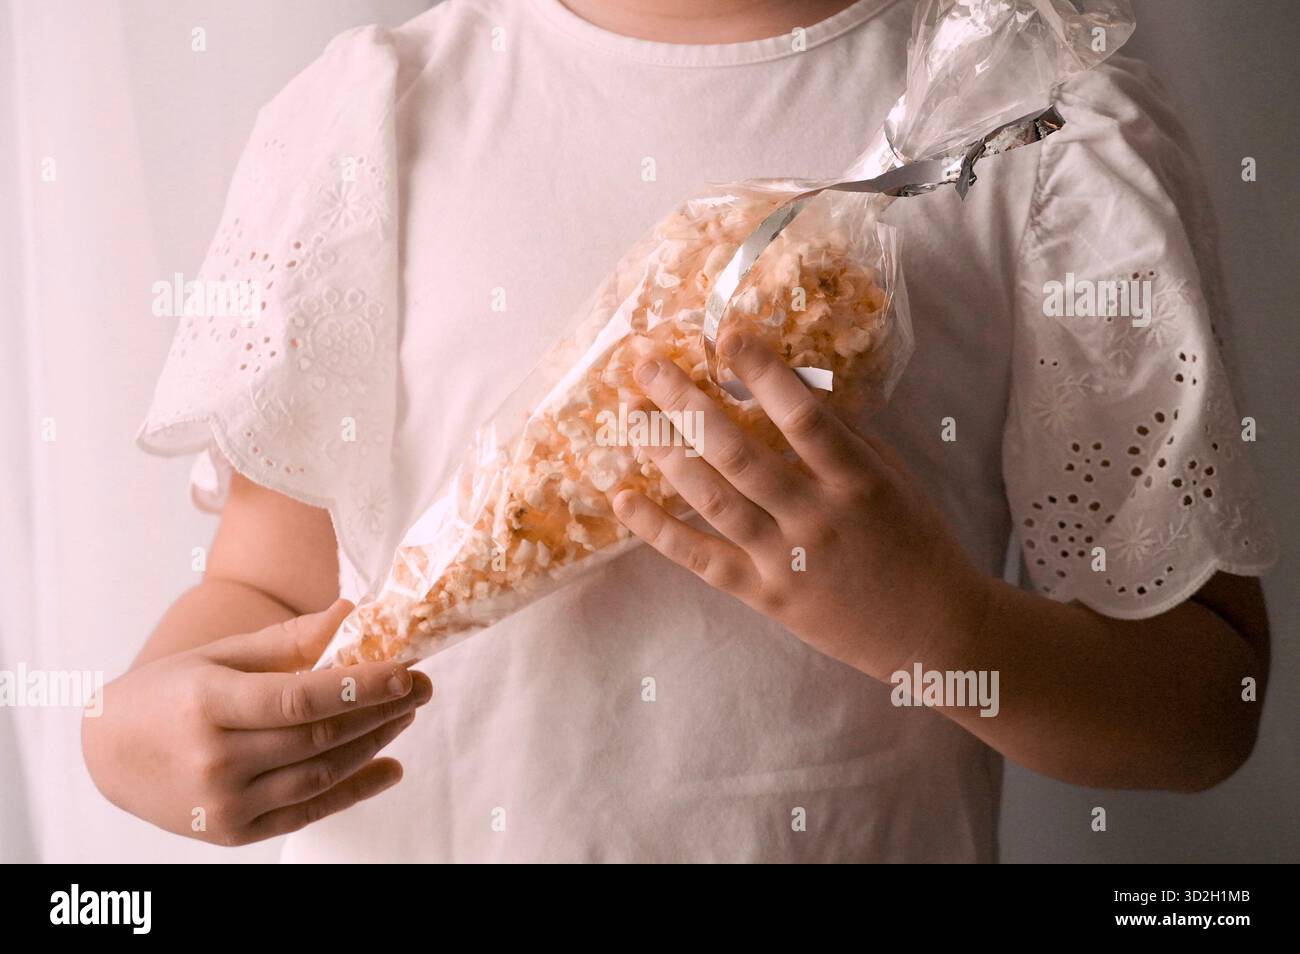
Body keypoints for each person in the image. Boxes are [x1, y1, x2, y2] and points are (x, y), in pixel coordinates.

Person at [83, 0, 1276, 862]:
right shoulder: (377, 113)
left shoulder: (1036, 119)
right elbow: (266, 587)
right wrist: (130, 738)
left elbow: (1206, 706)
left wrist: (935, 626)